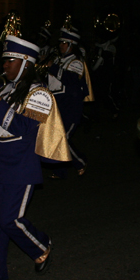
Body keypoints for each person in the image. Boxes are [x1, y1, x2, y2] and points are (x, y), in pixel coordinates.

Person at [0, 34, 70, 280]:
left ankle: (41, 245)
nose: (4, 65)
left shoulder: (40, 94)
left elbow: (23, 128)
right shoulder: (6, 89)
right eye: (4, 60)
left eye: (10, 60)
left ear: (26, 63)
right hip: (0, 162)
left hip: (22, 164)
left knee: (10, 219)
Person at [45, 23, 92, 179]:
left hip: (71, 108)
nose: (60, 45)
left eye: (63, 43)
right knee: (54, 137)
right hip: (58, 106)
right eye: (60, 42)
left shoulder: (76, 62)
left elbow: (71, 80)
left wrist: (52, 68)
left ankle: (80, 161)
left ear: (71, 45)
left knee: (62, 138)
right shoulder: (59, 61)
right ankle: (60, 170)